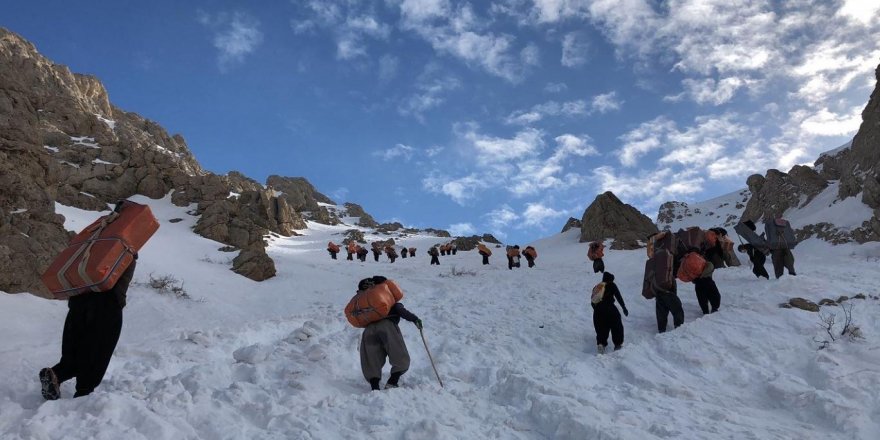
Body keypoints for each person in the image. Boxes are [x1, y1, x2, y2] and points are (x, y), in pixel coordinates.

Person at [40, 258, 137, 400]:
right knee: (98, 352)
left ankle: (57, 374)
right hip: (107, 305)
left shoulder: (92, 244)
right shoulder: (123, 248)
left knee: (74, 348)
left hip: (78, 301)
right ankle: (83, 394)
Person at [355, 276, 422, 391]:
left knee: (372, 357)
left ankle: (375, 387)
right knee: (398, 353)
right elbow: (401, 311)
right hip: (387, 327)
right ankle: (393, 381)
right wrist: (415, 319)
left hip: (369, 330)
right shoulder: (387, 299)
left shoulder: (364, 302)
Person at [591, 272, 628, 353]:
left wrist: (598, 309)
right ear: (611, 279)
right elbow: (618, 296)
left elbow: (593, 301)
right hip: (610, 308)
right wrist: (624, 307)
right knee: (616, 324)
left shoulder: (597, 287)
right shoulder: (611, 285)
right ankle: (618, 344)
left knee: (601, 327)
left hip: (598, 310)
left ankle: (601, 344)